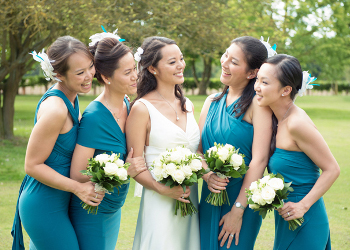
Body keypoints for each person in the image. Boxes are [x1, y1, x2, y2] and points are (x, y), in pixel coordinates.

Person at [11, 36, 104, 250]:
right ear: (59, 75)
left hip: (60, 200)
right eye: (80, 73)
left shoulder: (72, 96)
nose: (89, 75)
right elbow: (31, 165)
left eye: (90, 67)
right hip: (43, 204)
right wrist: (78, 188)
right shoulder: (56, 109)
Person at [69, 36, 147, 250]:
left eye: (134, 68)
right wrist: (125, 171)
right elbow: (77, 174)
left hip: (113, 206)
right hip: (93, 208)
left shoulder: (126, 103)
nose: (135, 76)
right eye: (127, 72)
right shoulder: (94, 116)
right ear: (106, 77)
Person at [254, 54, 340, 250]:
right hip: (287, 217)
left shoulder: (296, 123)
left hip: (305, 217)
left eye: (264, 82)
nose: (257, 87)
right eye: (257, 79)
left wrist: (303, 206)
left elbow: (332, 169)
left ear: (286, 90)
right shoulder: (277, 118)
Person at [198, 36, 274, 250]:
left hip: (241, 199)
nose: (225, 63)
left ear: (252, 73)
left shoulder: (257, 106)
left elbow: (259, 160)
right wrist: (207, 174)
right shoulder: (211, 102)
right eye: (225, 55)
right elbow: (198, 150)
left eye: (234, 61)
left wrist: (238, 210)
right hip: (209, 195)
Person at [126, 36, 201, 250]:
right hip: (159, 201)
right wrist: (162, 189)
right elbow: (134, 165)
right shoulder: (142, 108)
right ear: (152, 69)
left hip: (190, 199)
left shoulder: (187, 105)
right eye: (172, 62)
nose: (181, 65)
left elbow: (196, 153)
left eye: (181, 58)